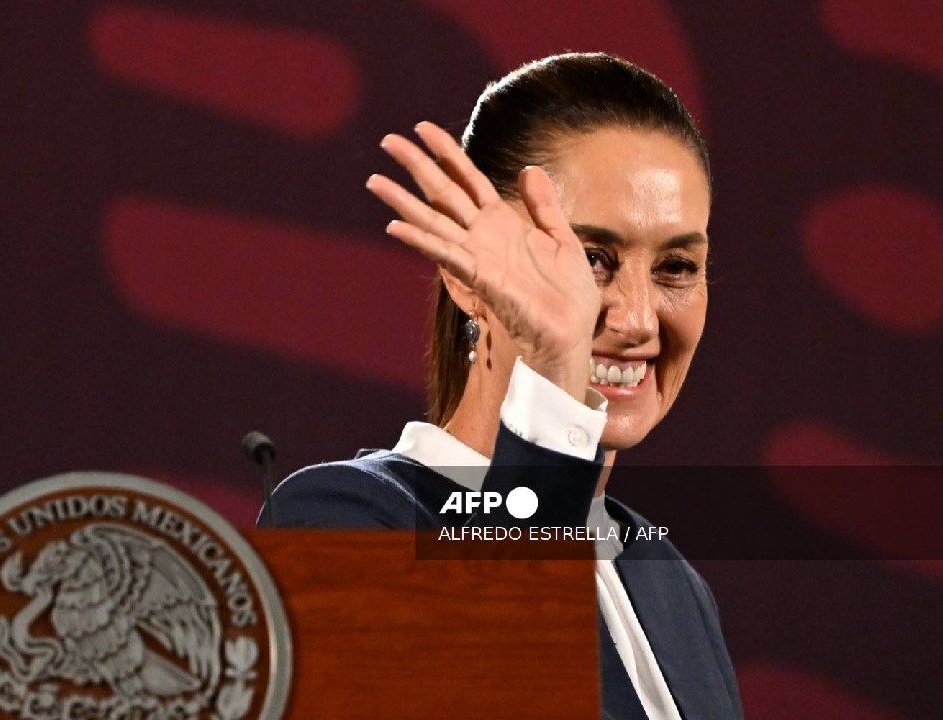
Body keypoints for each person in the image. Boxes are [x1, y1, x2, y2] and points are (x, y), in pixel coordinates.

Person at [264, 53, 743, 719]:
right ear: (467, 276)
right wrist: (554, 368)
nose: (636, 319)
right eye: (590, 259)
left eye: (677, 266)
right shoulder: (338, 522)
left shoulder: (670, 580)